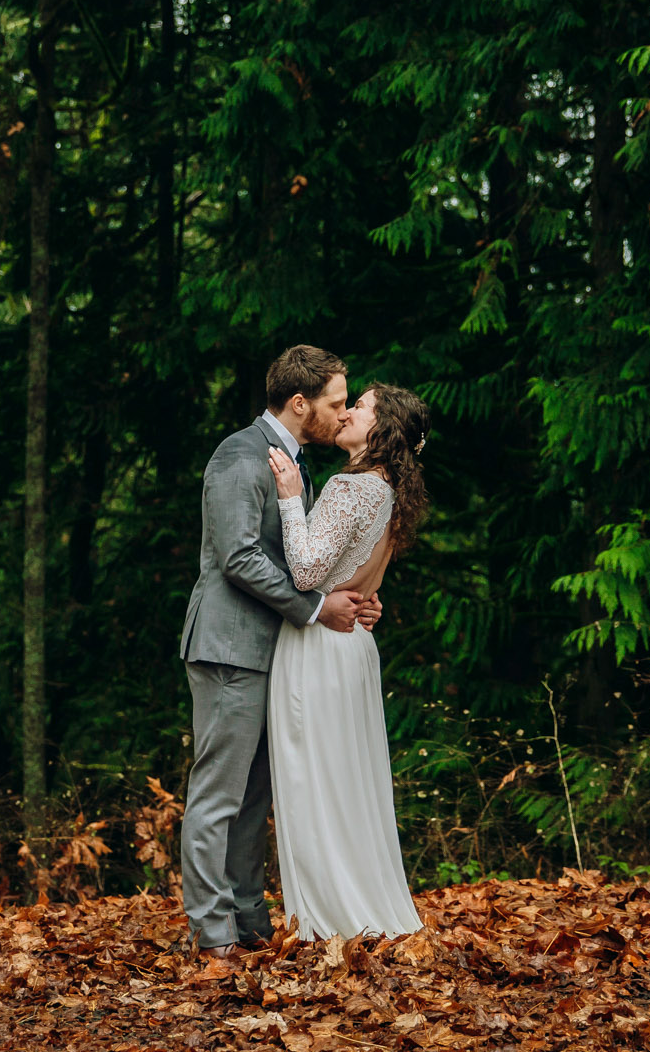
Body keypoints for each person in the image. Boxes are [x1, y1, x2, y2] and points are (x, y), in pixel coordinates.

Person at [177, 346, 380, 959]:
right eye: (335, 403)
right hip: (229, 647)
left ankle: (247, 920)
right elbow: (238, 557)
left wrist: (354, 598)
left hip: (274, 652)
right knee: (218, 794)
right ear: (299, 404)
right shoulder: (239, 455)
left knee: (255, 795)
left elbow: (301, 558)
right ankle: (211, 934)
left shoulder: (296, 463)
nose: (342, 415)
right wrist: (318, 610)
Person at [266, 383, 429, 941]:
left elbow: (309, 574)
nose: (349, 411)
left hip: (320, 646)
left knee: (316, 779)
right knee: (348, 781)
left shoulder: (351, 486)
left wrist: (290, 495)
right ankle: (358, 907)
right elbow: (356, 575)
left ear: (379, 431)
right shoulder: (388, 491)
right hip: (353, 644)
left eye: (360, 406)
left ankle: (333, 919)